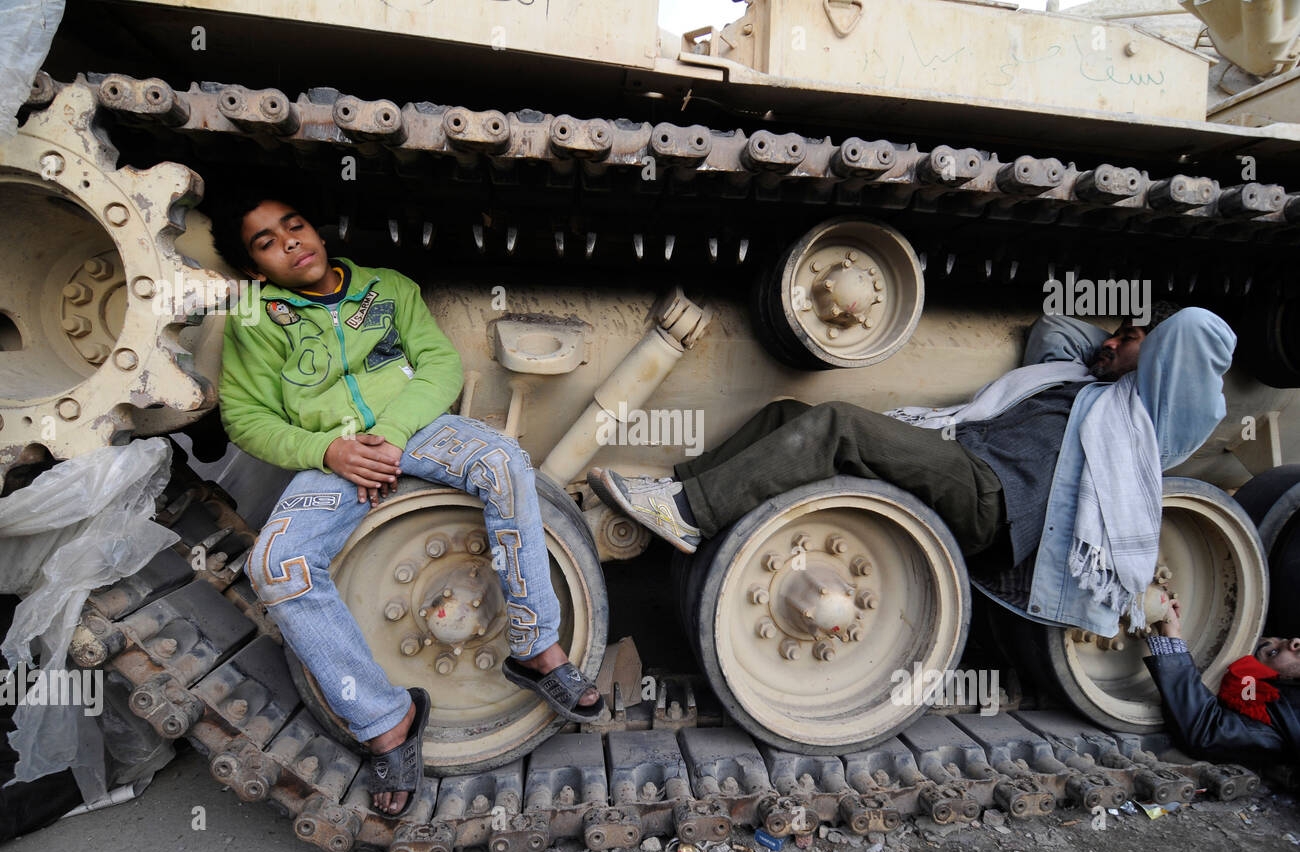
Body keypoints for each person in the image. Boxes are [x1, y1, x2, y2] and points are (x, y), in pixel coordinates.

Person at [214, 195, 602, 816]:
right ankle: (386, 722)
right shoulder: (253, 320)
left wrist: (391, 434)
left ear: (313, 228)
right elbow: (246, 417)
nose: (289, 241)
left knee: (503, 461)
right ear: (257, 269)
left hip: (418, 431)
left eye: (294, 225)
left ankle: (536, 647)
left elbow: (439, 365)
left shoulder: (387, 288)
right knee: (275, 562)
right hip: (333, 456)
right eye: (265, 242)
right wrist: (330, 450)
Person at [591, 305, 1236, 638]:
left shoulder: (1148, 415)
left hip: (1000, 500)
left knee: (839, 424)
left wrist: (1142, 346)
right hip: (970, 464)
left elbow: (1197, 332)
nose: (1110, 340)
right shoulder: (1072, 380)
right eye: (1115, 333)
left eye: (1131, 337)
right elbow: (1056, 329)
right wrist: (1115, 348)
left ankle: (686, 515)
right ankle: (678, 493)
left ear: (1160, 358)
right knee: (789, 411)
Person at [1144, 602, 1300, 762]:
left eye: (1273, 652)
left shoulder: (1279, 716)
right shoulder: (1256, 694)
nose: (1295, 641)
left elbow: (1207, 732)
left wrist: (1170, 633)